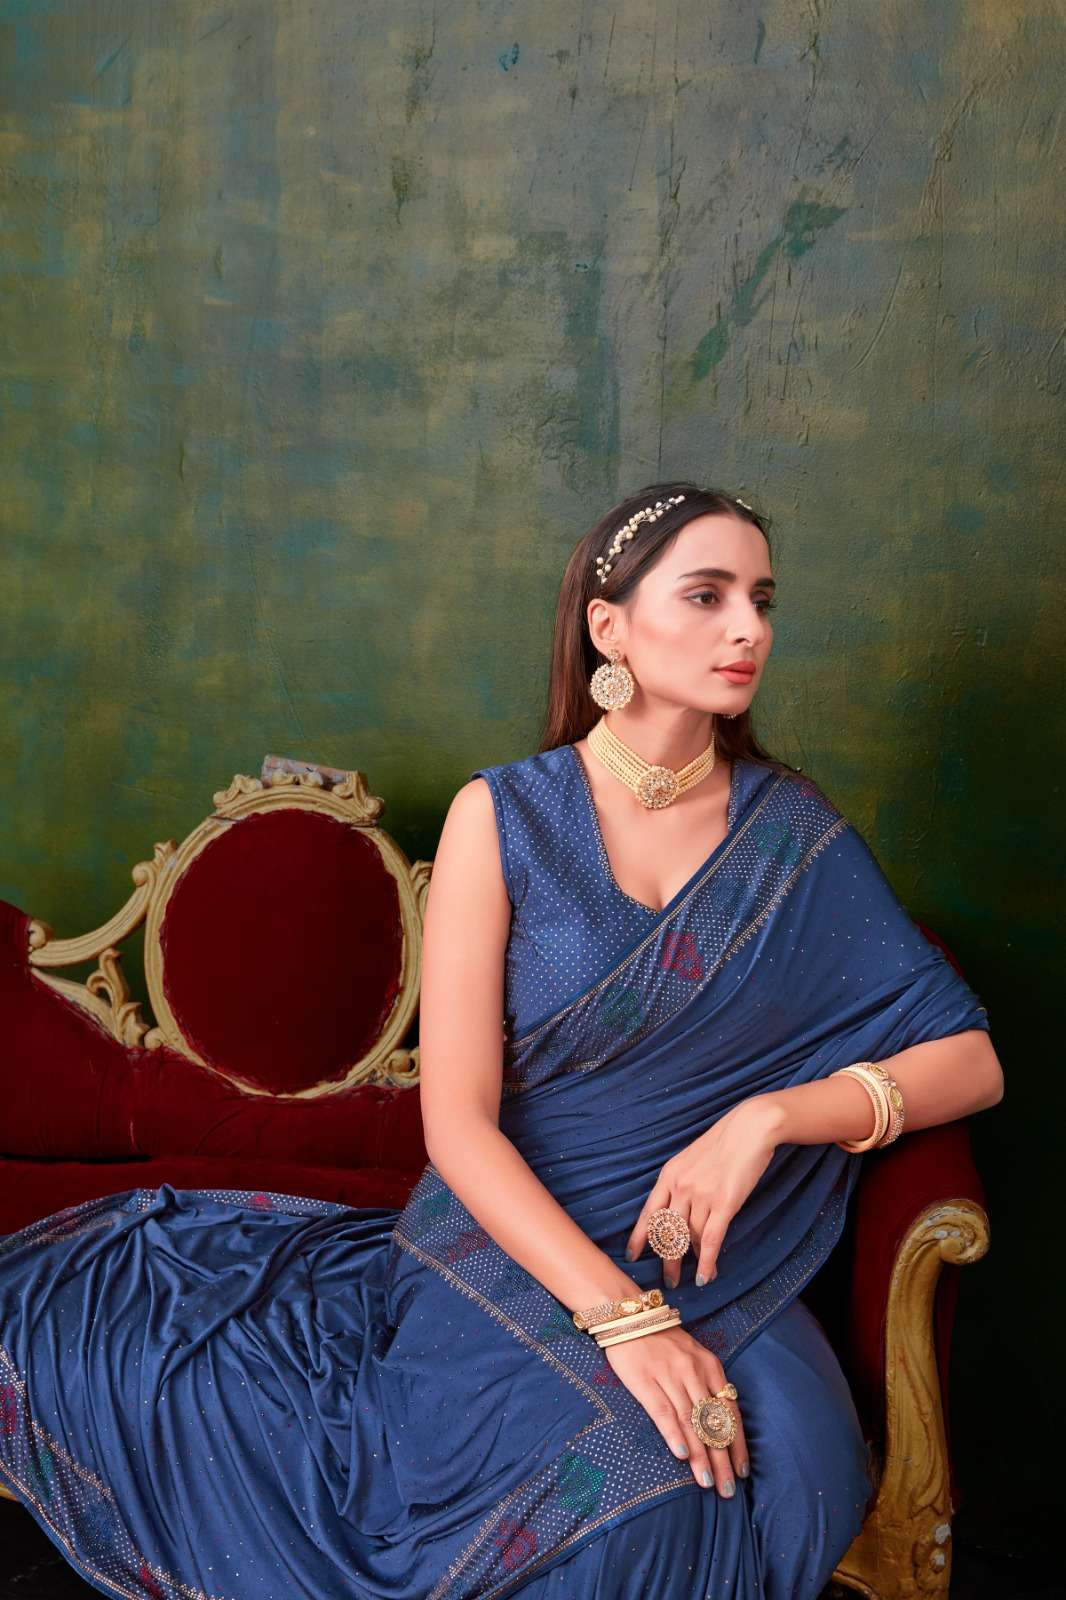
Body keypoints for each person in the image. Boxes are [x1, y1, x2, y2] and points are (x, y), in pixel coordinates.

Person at [0, 481, 1004, 1600]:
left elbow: (970, 1062)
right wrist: (625, 1319)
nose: (749, 630)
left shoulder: (790, 835)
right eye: (708, 595)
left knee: (805, 1478)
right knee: (642, 1502)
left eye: (761, 600)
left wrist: (766, 1119)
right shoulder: (508, 817)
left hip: (723, 1261)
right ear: (609, 626)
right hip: (516, 1239)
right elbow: (459, 1126)